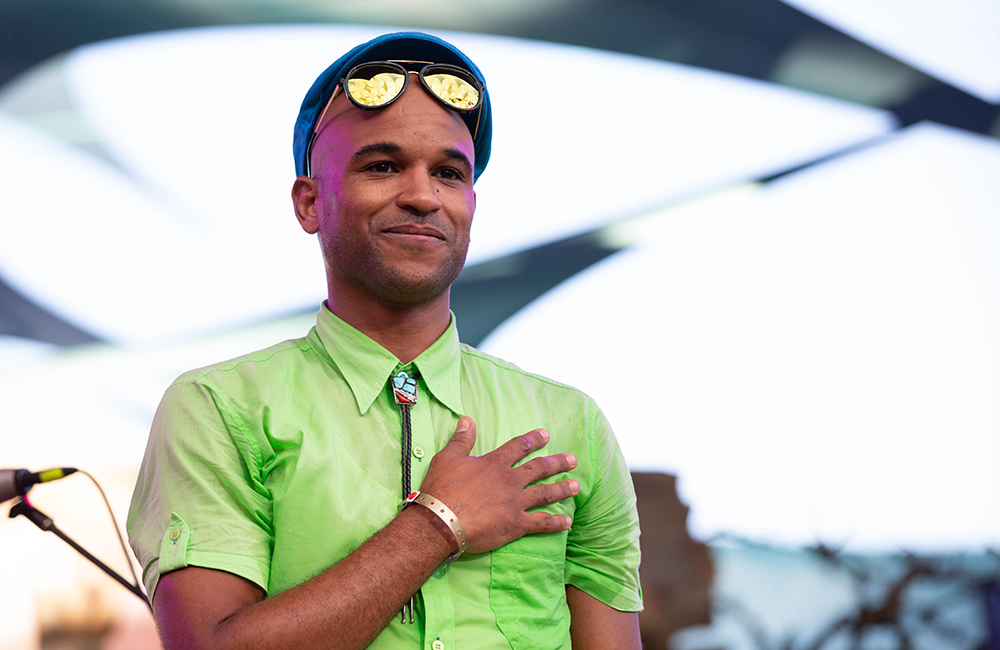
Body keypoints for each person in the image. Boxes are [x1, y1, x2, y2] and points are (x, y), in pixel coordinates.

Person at [127, 31, 642, 650]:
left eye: (449, 173)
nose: (423, 196)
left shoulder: (569, 422)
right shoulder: (219, 407)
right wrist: (437, 525)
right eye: (383, 166)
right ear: (310, 203)